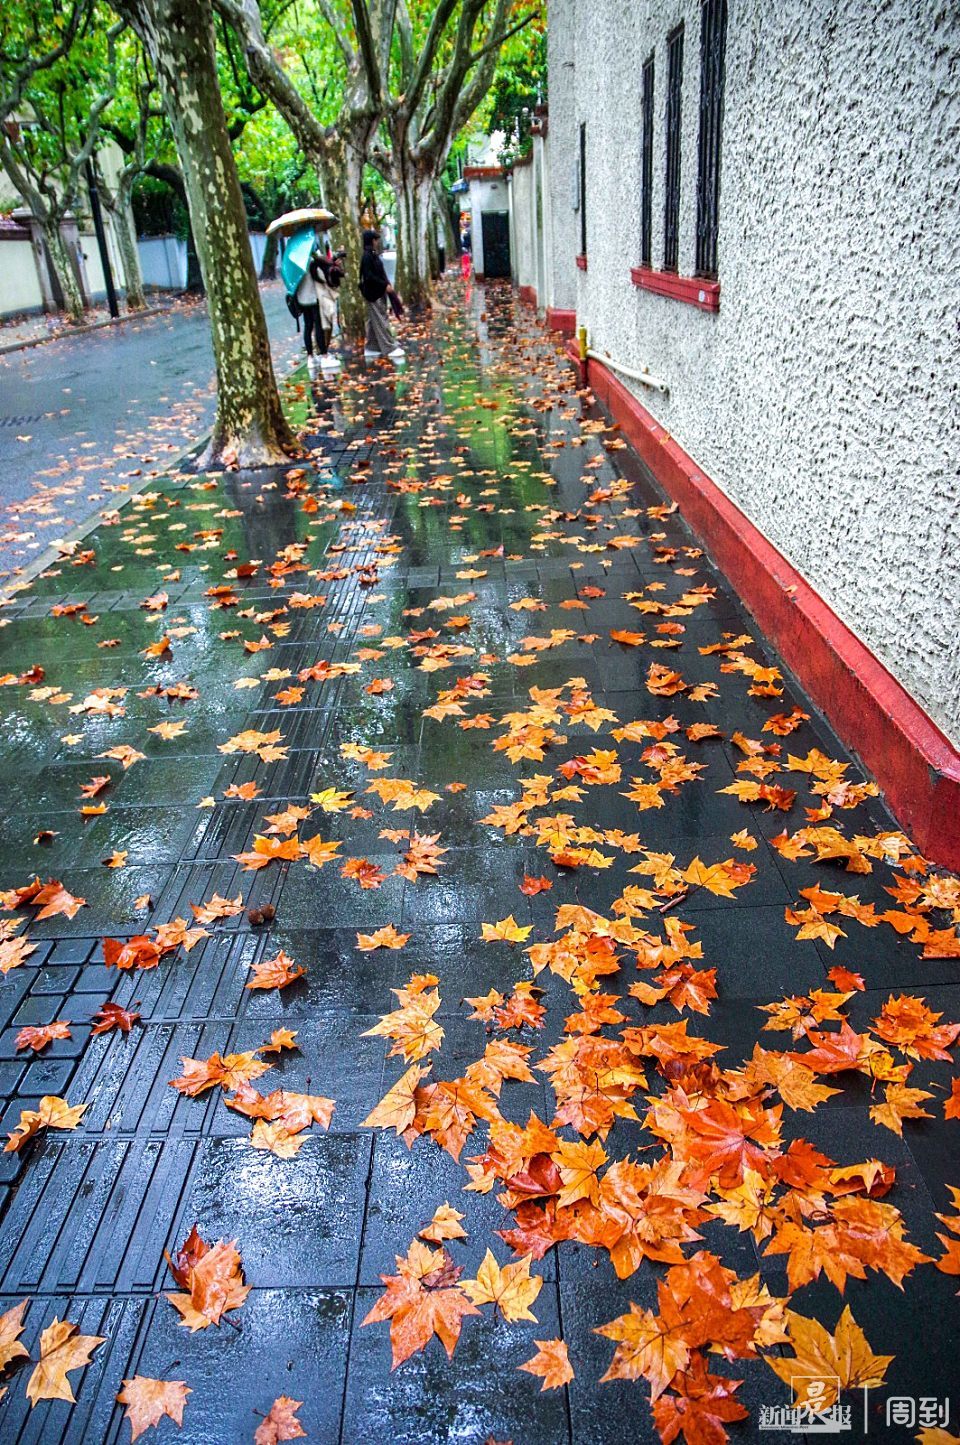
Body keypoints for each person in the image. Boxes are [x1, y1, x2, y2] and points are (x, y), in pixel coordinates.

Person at [297, 231, 345, 379]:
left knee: (308, 326)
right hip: (314, 298)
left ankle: (311, 358)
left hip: (301, 299)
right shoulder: (313, 263)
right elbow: (324, 279)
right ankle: (324, 356)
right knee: (318, 326)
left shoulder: (297, 265)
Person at [359, 230, 404, 362]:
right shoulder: (367, 256)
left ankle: (372, 347)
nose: (377, 242)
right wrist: (384, 285)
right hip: (374, 293)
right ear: (371, 241)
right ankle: (389, 347)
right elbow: (369, 276)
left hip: (378, 291)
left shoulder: (372, 255)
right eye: (375, 239)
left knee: (374, 321)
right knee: (380, 319)